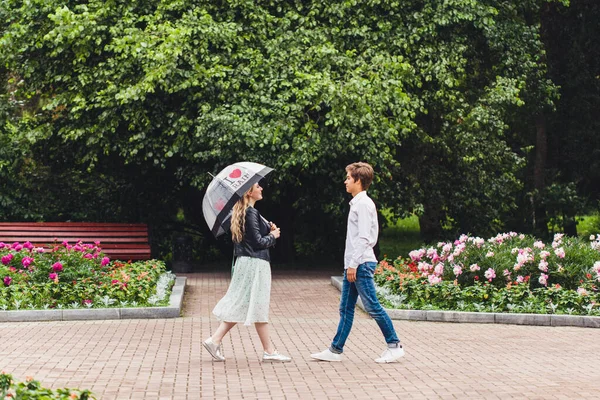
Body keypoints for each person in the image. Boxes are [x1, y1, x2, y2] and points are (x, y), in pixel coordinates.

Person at [311, 162, 404, 363]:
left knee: (372, 307)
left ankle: (394, 345)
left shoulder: (363, 204)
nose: (345, 181)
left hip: (360, 264)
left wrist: (353, 264)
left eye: (348, 178)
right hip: (354, 264)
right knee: (346, 308)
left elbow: (364, 238)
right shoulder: (358, 203)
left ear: (358, 180)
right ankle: (335, 350)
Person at [203, 182, 291, 363]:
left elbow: (253, 238)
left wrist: (269, 229)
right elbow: (258, 242)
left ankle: (215, 340)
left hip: (248, 262)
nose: (261, 188)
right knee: (257, 305)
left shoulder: (245, 212)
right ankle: (269, 351)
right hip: (255, 264)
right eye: (257, 186)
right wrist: (273, 236)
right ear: (249, 192)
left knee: (242, 304)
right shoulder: (251, 213)